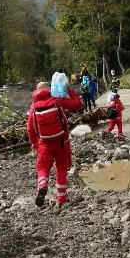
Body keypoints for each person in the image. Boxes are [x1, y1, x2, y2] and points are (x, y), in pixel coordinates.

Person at [27, 78, 83, 209]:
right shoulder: (57, 100)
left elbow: (30, 128)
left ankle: (42, 185)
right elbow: (77, 103)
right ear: (49, 89)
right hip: (62, 141)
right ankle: (62, 197)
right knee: (61, 168)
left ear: (36, 91)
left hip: (44, 143)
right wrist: (68, 88)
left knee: (43, 167)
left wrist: (34, 143)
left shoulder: (34, 107)